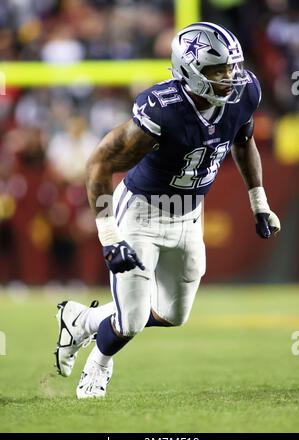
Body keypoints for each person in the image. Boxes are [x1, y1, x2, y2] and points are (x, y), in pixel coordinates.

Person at [54, 22, 281, 398]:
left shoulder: (243, 94)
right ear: (190, 70)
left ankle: (82, 318)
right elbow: (99, 165)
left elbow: (244, 140)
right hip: (141, 213)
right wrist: (109, 235)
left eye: (231, 67)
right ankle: (99, 363)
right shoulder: (164, 110)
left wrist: (259, 203)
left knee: (174, 315)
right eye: (217, 69)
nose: (230, 77)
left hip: (190, 214)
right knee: (132, 319)